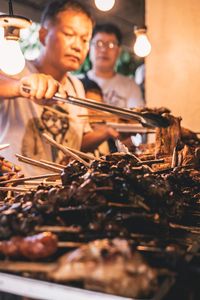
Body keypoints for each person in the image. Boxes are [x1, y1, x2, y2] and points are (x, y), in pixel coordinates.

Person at [0, 0, 118, 176]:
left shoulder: (76, 86)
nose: (77, 46)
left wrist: (108, 132)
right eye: (69, 34)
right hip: (17, 195)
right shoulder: (15, 70)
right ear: (43, 35)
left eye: (85, 39)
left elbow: (73, 144)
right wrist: (20, 86)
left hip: (58, 195)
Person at [86, 23, 145, 109]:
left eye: (111, 44)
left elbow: (136, 118)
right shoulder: (77, 84)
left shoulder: (130, 86)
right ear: (89, 47)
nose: (104, 49)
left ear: (118, 51)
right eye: (99, 43)